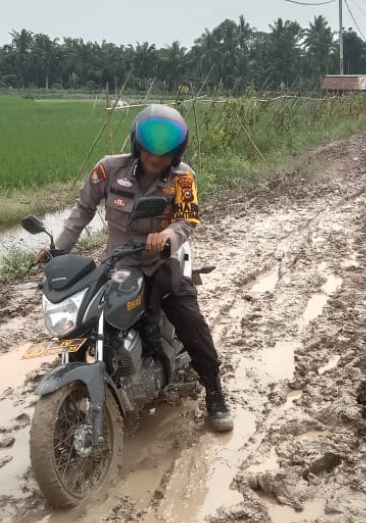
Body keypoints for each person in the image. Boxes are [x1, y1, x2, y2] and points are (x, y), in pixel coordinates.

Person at [38, 104, 233, 432]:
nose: (154, 159)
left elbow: (189, 218)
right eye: (148, 151)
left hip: (161, 264)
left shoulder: (183, 178)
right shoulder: (109, 169)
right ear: (136, 145)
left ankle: (214, 392)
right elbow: (82, 210)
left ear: (175, 153)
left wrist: (168, 236)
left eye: (163, 155)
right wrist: (57, 252)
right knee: (84, 321)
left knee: (190, 321)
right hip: (118, 264)